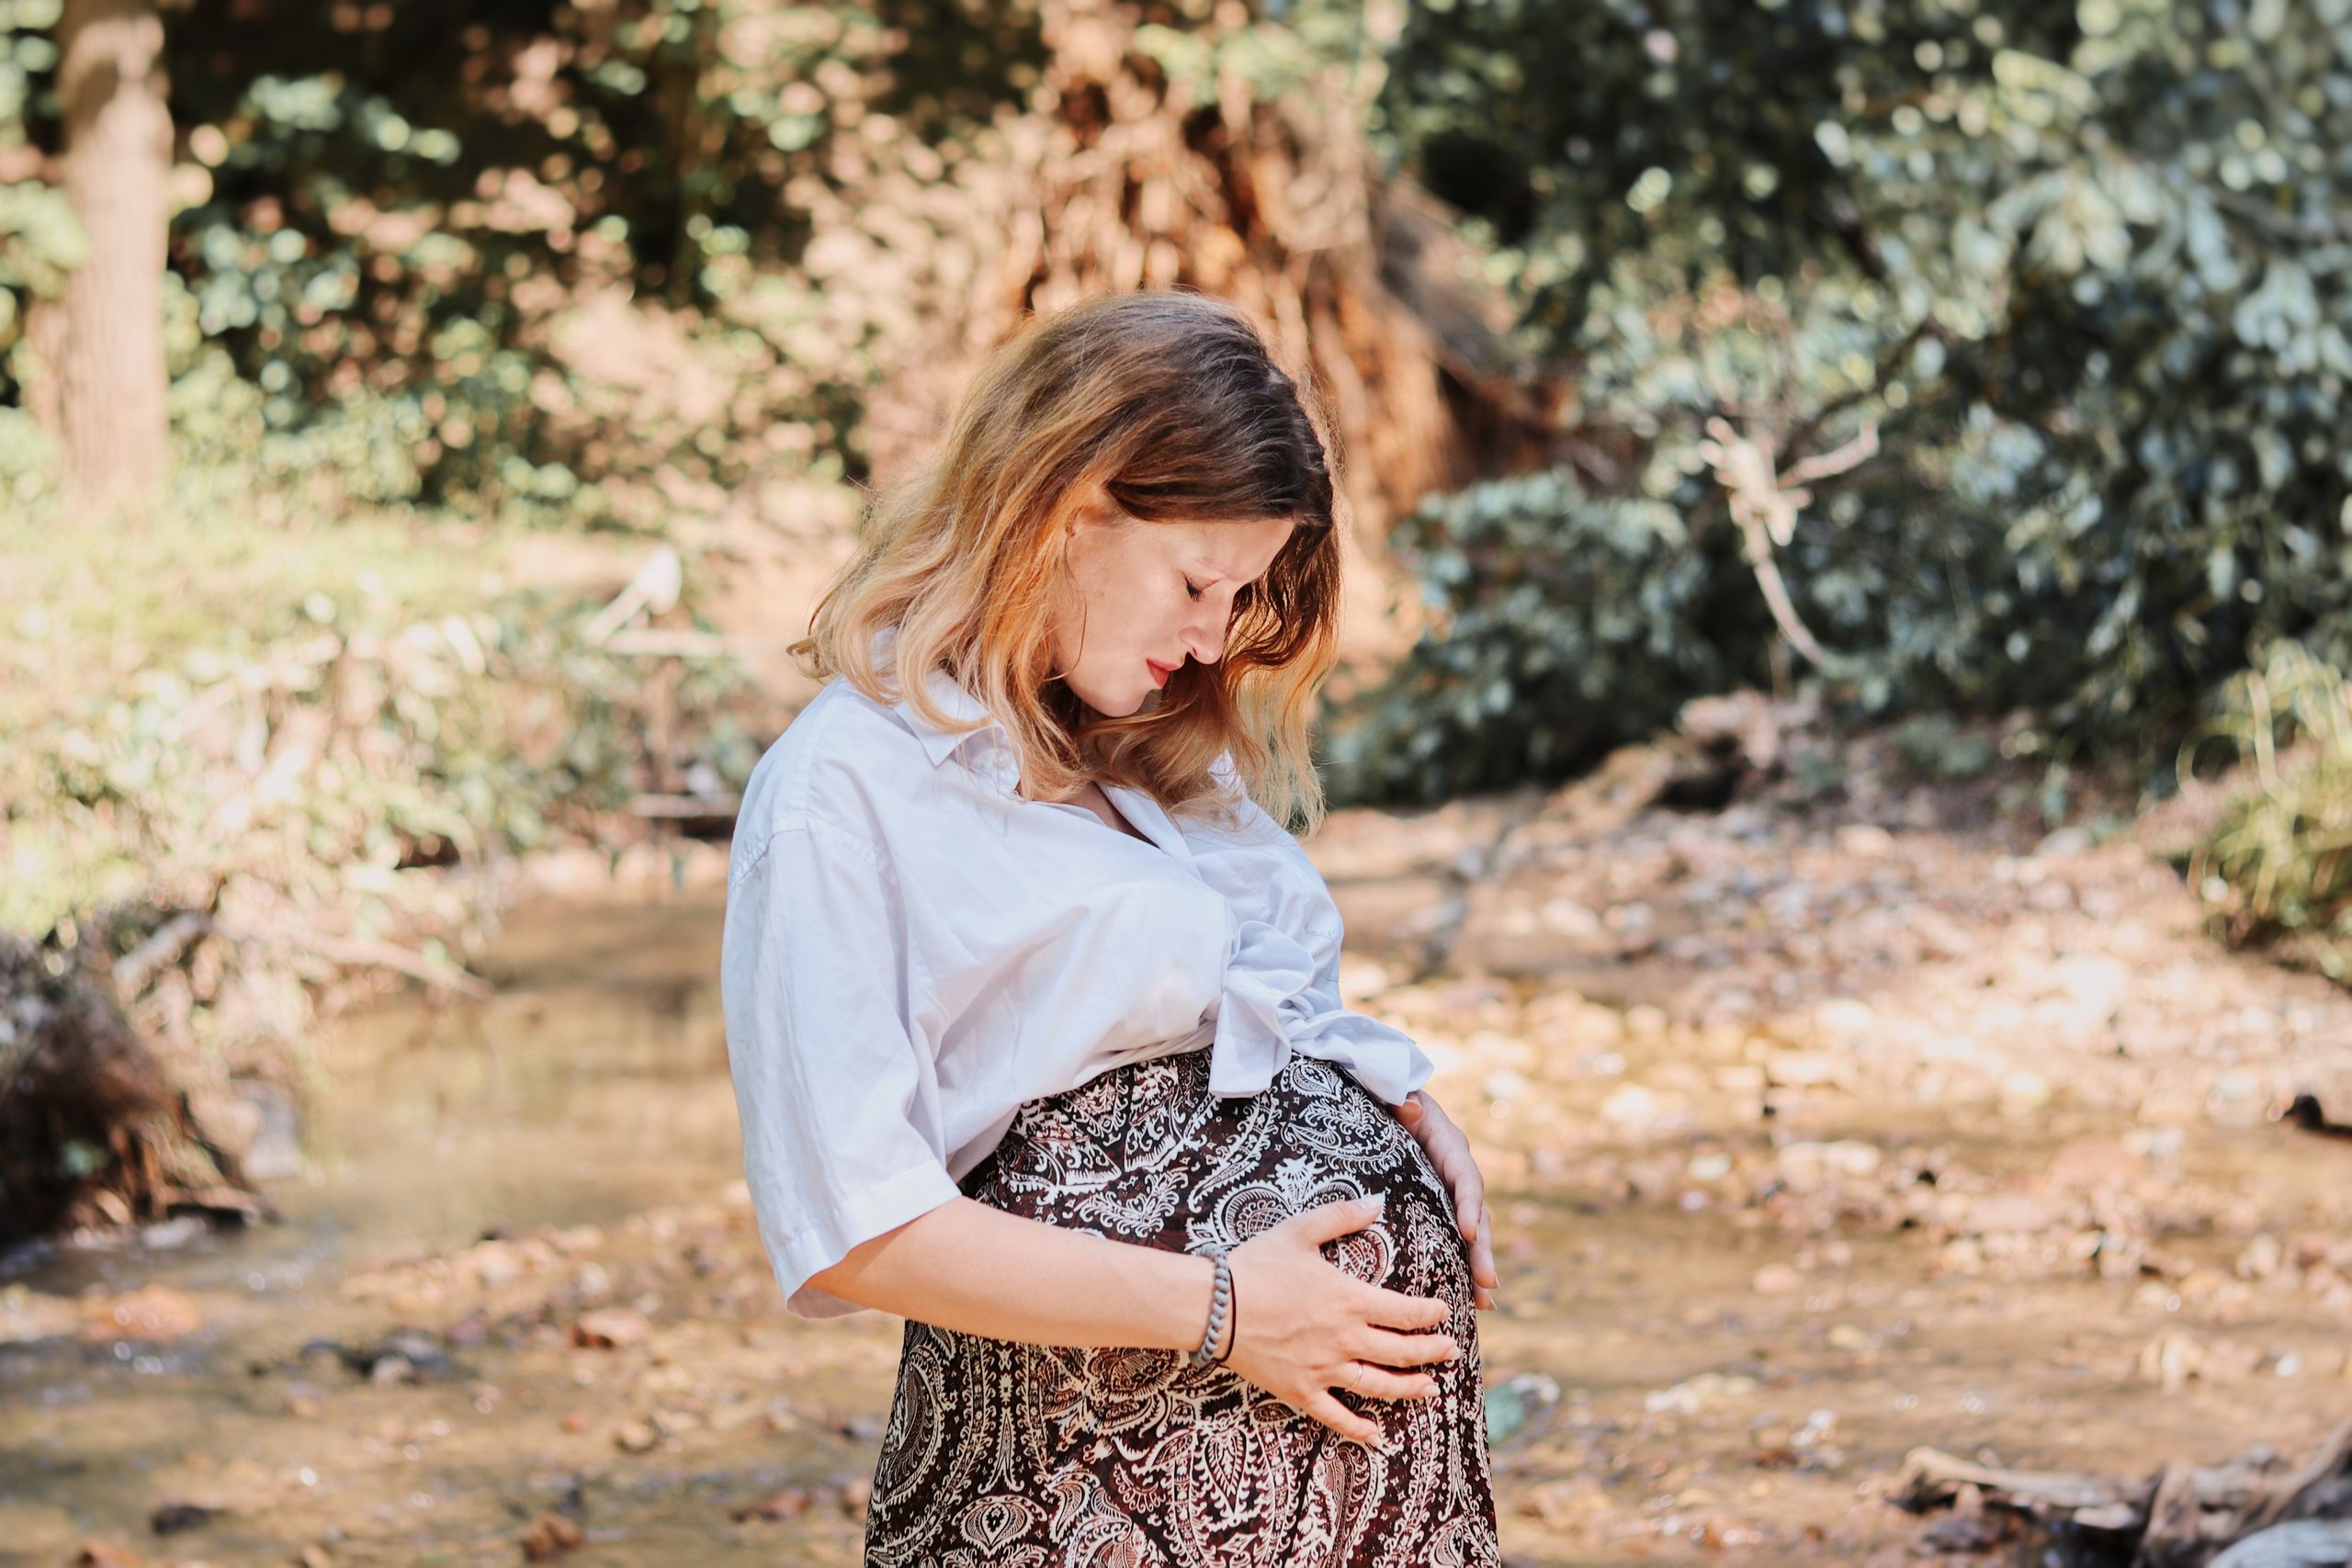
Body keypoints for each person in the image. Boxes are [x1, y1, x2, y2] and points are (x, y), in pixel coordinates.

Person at [722, 291, 1502, 1564]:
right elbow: (856, 1226)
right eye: (1197, 581)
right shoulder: (838, 795)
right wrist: (1229, 1313)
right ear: (1069, 505)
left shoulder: (1155, 759)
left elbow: (1254, 1002)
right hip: (1086, 1486)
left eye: (1242, 595)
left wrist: (1394, 1103)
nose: (1211, 638)